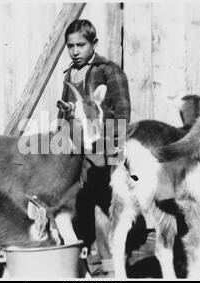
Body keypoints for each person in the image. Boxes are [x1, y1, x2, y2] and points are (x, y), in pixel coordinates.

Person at [56, 19, 131, 260]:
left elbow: (122, 111)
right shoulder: (70, 72)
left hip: (102, 149)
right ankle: (83, 261)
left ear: (94, 43)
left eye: (81, 45)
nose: (75, 51)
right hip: (77, 153)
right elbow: (67, 113)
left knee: (106, 204)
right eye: (70, 46)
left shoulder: (108, 70)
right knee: (80, 204)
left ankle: (112, 263)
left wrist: (115, 149)